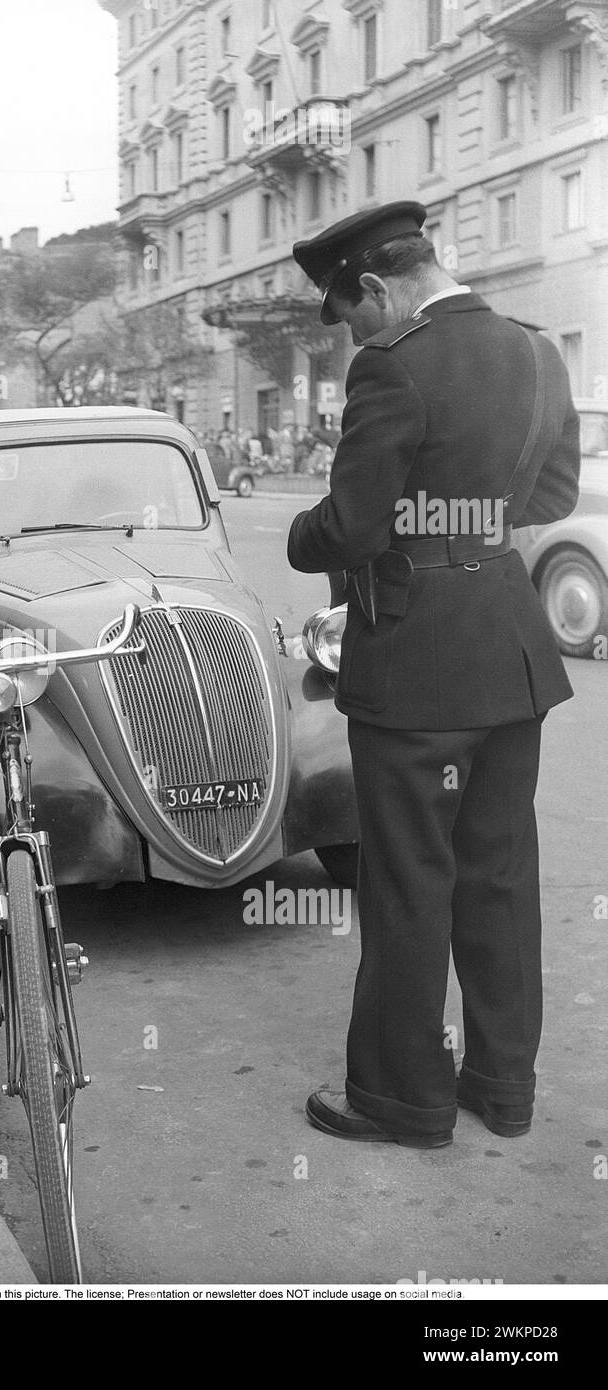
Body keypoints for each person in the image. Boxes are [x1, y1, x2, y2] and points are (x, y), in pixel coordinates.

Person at [287, 201, 580, 1148]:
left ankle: (401, 1098)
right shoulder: (538, 353)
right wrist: (467, 519)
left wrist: (306, 535)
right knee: (497, 878)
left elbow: (350, 527)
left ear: (377, 286)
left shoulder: (394, 365)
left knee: (410, 881)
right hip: (512, 650)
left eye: (350, 315)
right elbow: (553, 494)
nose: (352, 339)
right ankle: (503, 1088)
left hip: (415, 663)